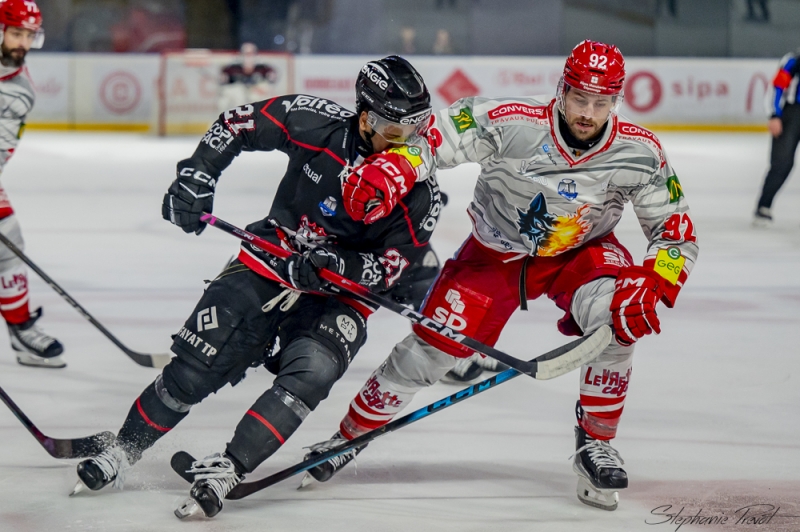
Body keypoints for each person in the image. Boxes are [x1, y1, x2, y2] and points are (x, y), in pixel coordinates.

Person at [303, 40, 699, 512]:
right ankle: (349, 437)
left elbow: (675, 231)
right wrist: (395, 166)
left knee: (617, 323)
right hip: (494, 255)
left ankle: (596, 441)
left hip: (582, 254)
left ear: (616, 101)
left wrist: (657, 279)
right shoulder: (512, 120)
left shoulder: (641, 151)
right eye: (579, 99)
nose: (588, 113)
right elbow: (439, 135)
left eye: (600, 102)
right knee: (427, 351)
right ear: (562, 89)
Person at [72, 56, 442, 519]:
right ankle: (123, 451)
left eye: (417, 128)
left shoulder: (421, 188)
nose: (408, 143)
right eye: (396, 130)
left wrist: (339, 264)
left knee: (313, 371)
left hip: (340, 293)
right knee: (192, 369)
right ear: (366, 117)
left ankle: (229, 466)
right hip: (269, 261)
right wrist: (198, 173)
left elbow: (395, 266)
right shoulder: (316, 122)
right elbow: (236, 122)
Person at [0, 0, 64, 368]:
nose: (22, 43)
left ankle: (20, 327)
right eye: (16, 33)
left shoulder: (19, 91)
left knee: (9, 239)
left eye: (28, 35)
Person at [754, 48, 800, 227]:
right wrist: (774, 115)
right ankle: (763, 206)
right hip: (792, 114)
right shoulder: (794, 60)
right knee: (782, 163)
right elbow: (777, 86)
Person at [217, 42, 279, 112]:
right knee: (229, 95)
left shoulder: (263, 67)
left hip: (255, 93)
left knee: (264, 94)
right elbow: (223, 83)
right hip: (237, 95)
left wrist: (261, 87)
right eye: (246, 54)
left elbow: (271, 82)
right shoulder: (232, 67)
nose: (248, 57)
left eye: (251, 54)